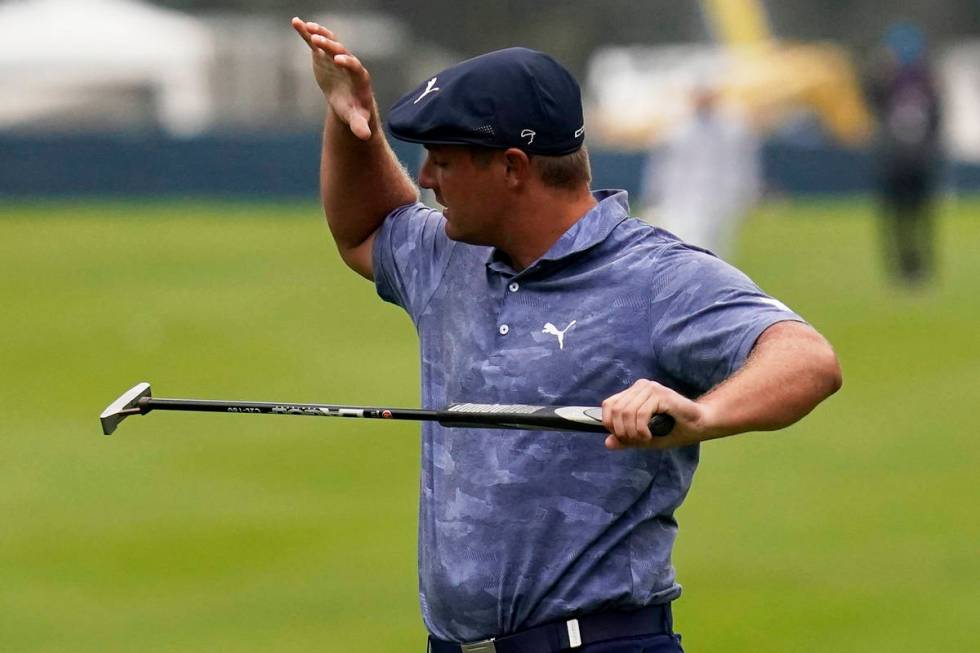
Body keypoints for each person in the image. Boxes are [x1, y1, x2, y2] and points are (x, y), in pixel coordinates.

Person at [291, 17, 842, 653]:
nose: (426, 180)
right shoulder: (450, 255)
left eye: (442, 160)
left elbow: (806, 358)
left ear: (513, 167)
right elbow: (366, 228)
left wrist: (701, 413)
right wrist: (350, 120)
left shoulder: (653, 276)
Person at [640, 86, 761, 261]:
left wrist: (746, 194)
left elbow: (743, 166)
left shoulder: (732, 129)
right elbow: (660, 168)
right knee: (685, 251)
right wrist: (653, 197)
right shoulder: (676, 129)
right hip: (679, 201)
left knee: (718, 254)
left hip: (720, 200)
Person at [868, 22, 942, 286]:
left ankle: (920, 268)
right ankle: (900, 270)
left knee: (920, 217)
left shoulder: (927, 81)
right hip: (895, 160)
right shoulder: (886, 80)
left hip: (918, 160)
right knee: (896, 218)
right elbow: (873, 103)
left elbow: (936, 120)